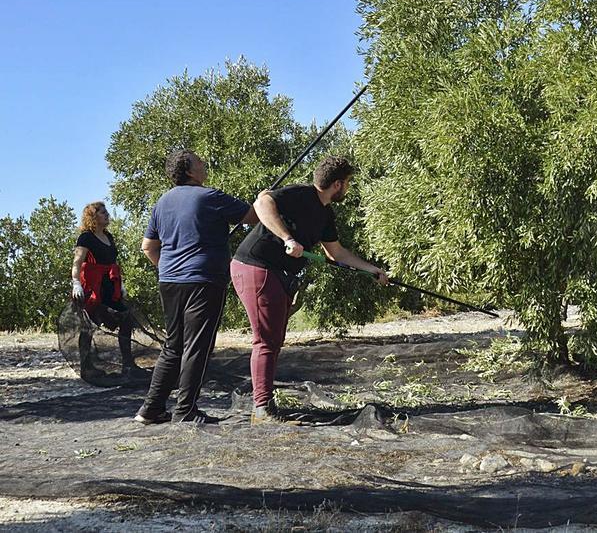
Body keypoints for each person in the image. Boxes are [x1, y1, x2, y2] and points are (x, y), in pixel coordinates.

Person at [231, 155, 388, 424]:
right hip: (255, 266)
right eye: (348, 183)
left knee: (274, 338)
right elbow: (262, 201)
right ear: (337, 184)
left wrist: (371, 269)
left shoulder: (325, 214)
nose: (348, 188)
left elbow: (335, 252)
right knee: (266, 340)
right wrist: (288, 238)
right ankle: (262, 410)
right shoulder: (302, 194)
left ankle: (265, 403)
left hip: (280, 274)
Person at [135, 149, 257, 424]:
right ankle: (185, 410)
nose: (204, 164)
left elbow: (148, 247)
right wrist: (264, 200)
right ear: (189, 170)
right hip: (203, 281)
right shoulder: (210, 196)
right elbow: (252, 216)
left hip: (169, 281)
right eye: (199, 162)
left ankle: (151, 408)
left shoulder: (162, 202)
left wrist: (169, 268)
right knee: (197, 346)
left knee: (173, 345)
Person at [71, 201, 141, 376]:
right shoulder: (85, 237)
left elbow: (113, 263)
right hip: (93, 287)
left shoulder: (109, 237)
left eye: (106, 211)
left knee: (126, 318)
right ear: (93, 217)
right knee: (89, 324)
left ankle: (128, 363)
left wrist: (121, 285)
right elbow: (78, 262)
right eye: (102, 212)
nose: (107, 214)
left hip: (110, 285)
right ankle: (86, 366)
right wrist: (76, 283)